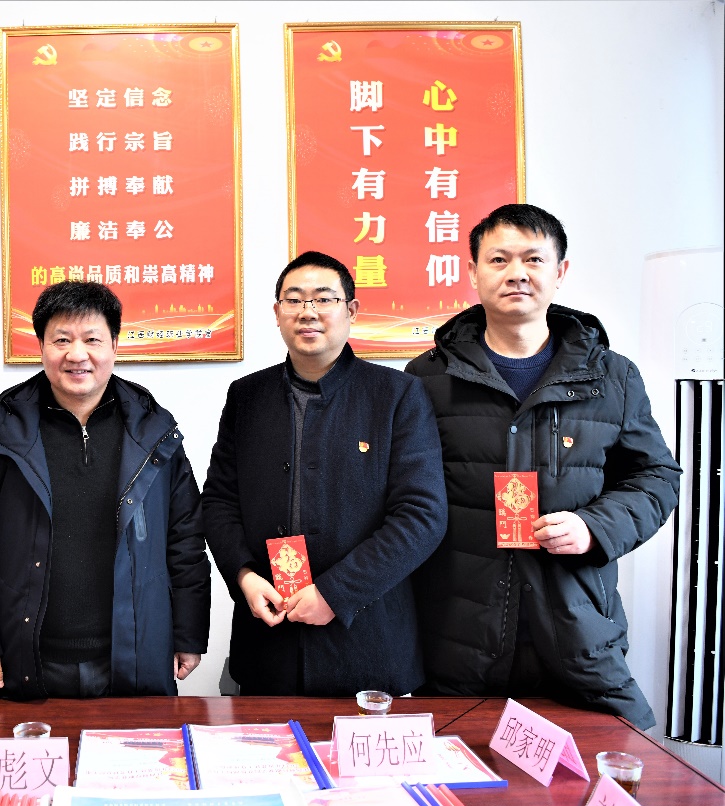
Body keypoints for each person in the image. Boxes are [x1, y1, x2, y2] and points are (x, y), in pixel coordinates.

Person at [406, 204, 680, 728]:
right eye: (499, 259)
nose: (517, 273)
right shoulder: (426, 378)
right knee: (457, 770)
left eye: (533, 259)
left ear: (561, 271)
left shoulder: (612, 377)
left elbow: (656, 477)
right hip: (454, 636)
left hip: (578, 630)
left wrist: (594, 527)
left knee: (618, 757)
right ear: (473, 272)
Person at [0, 281, 211, 699]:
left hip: (135, 651)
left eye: (92, 340)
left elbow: (186, 540)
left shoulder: (154, 431)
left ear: (115, 345)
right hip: (24, 655)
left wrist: (188, 633)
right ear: (41, 346)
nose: (77, 354)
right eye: (62, 340)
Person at [203, 251, 447, 695]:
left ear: (351, 310)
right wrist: (243, 575)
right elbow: (219, 500)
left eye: (323, 298)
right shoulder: (247, 396)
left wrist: (336, 593)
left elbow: (422, 516)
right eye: (294, 300)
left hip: (368, 642)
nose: (308, 311)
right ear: (277, 312)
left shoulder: (396, 395)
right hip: (268, 641)